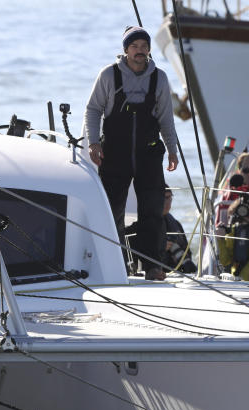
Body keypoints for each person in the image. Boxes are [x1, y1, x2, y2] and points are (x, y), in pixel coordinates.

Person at [83, 26, 179, 281]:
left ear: (149, 50)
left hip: (148, 155)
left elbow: (166, 119)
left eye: (144, 46)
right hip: (115, 153)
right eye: (134, 46)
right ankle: (115, 265)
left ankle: (152, 266)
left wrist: (172, 150)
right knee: (113, 209)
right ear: (126, 50)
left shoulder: (159, 78)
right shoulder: (109, 75)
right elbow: (93, 110)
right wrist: (94, 143)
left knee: (153, 210)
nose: (139, 51)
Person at [128, 186, 195, 274]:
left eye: (169, 197)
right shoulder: (138, 224)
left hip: (176, 273)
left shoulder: (176, 224)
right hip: (150, 272)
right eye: (164, 198)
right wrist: (160, 246)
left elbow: (187, 252)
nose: (167, 202)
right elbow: (131, 251)